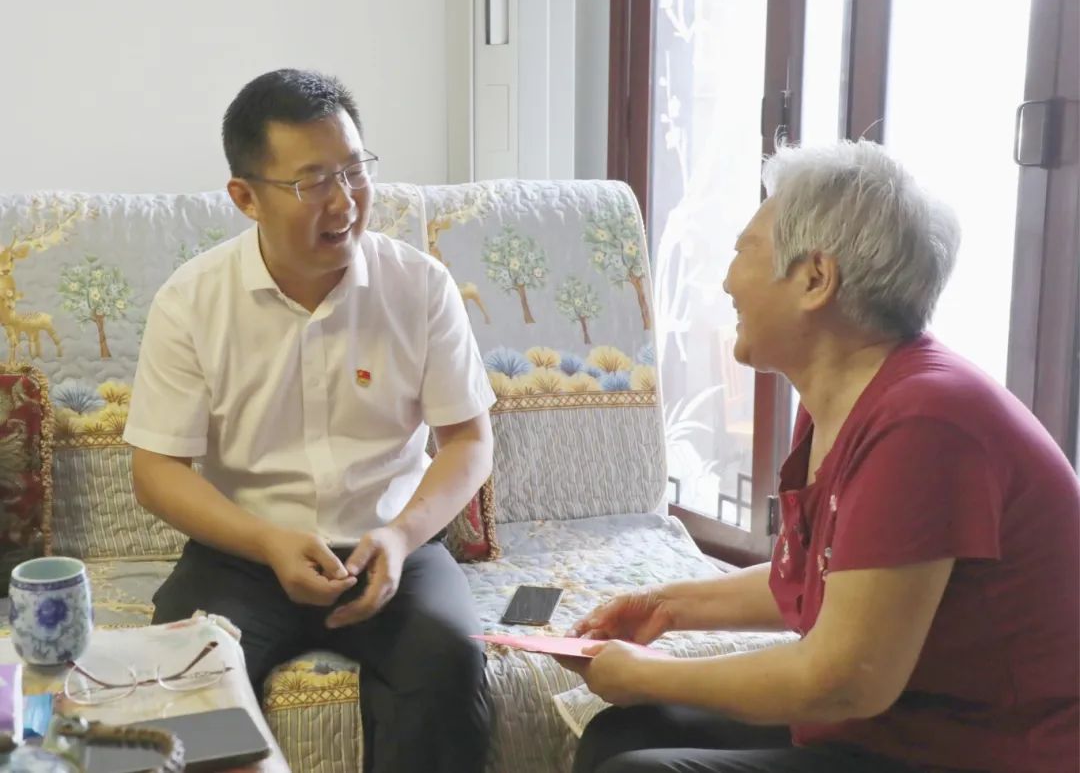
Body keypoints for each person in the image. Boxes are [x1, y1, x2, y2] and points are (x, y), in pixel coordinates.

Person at [561, 140, 1080, 773]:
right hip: (895, 727)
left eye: (744, 251)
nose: (727, 281)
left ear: (815, 279)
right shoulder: (841, 399)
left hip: (982, 752)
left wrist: (648, 674)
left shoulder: (925, 423)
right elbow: (822, 578)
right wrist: (666, 607)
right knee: (625, 734)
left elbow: (844, 680)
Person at [124, 68, 495, 773]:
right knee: (184, 683)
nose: (345, 201)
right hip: (242, 553)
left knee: (449, 661)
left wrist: (402, 535)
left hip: (391, 546)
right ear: (245, 197)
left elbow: (469, 441)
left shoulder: (419, 286)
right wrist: (267, 540)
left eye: (354, 170)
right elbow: (155, 470)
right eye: (312, 182)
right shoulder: (191, 301)